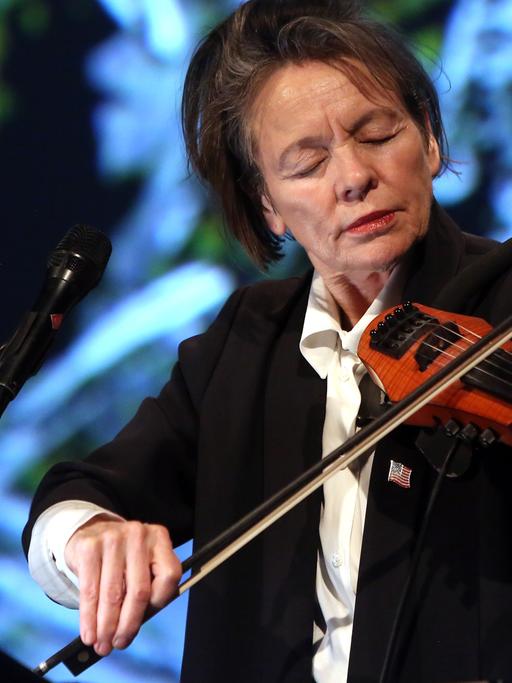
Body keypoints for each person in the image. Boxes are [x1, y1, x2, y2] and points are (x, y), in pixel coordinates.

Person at [23, 1, 512, 681]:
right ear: (267, 204)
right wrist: (88, 536)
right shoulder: (243, 342)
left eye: (377, 134)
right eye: (308, 163)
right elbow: (78, 492)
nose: (353, 177)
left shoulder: (503, 303)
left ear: (430, 139)